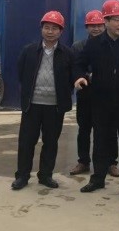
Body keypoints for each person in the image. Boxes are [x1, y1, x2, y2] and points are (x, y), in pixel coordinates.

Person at [75, 0, 119, 198]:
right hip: (101, 102)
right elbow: (79, 64)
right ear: (106, 21)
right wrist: (80, 76)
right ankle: (97, 179)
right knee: (100, 142)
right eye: (116, 20)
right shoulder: (94, 44)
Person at [12, 11, 75, 190]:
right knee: (26, 142)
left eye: (54, 28)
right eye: (47, 27)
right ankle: (22, 176)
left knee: (50, 142)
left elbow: (72, 77)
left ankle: (45, 175)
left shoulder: (67, 53)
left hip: (55, 106)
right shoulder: (29, 51)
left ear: (61, 31)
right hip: (32, 105)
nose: (50, 31)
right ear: (41, 29)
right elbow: (21, 73)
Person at [69, 10, 106, 175]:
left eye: (99, 25)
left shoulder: (110, 44)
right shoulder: (78, 46)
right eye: (92, 25)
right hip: (85, 94)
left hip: (105, 96)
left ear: (104, 26)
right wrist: (86, 76)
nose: (96, 29)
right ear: (86, 27)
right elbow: (74, 67)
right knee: (84, 129)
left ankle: (109, 163)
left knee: (105, 130)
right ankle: (83, 161)